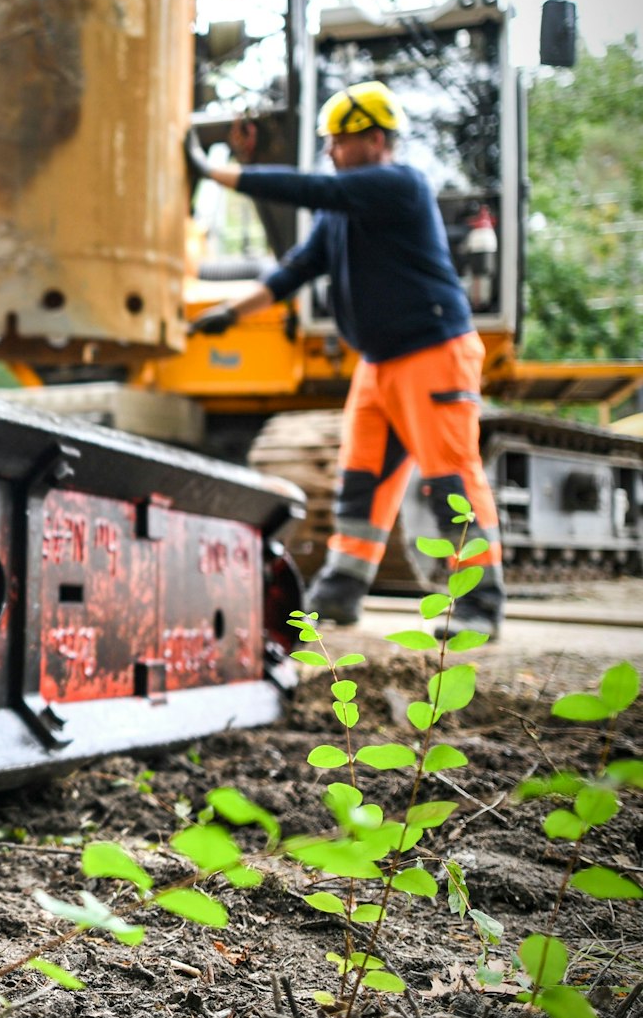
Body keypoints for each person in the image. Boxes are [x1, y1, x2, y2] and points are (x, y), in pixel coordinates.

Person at [187, 81, 504, 636]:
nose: (331, 150)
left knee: (450, 479)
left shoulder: (398, 184)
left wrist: (214, 172)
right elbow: (294, 271)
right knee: (360, 481)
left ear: (376, 140)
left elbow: (308, 189)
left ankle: (479, 605)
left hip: (435, 352)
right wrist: (231, 314)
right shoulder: (339, 214)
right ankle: (340, 592)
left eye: (340, 140)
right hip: (378, 364)